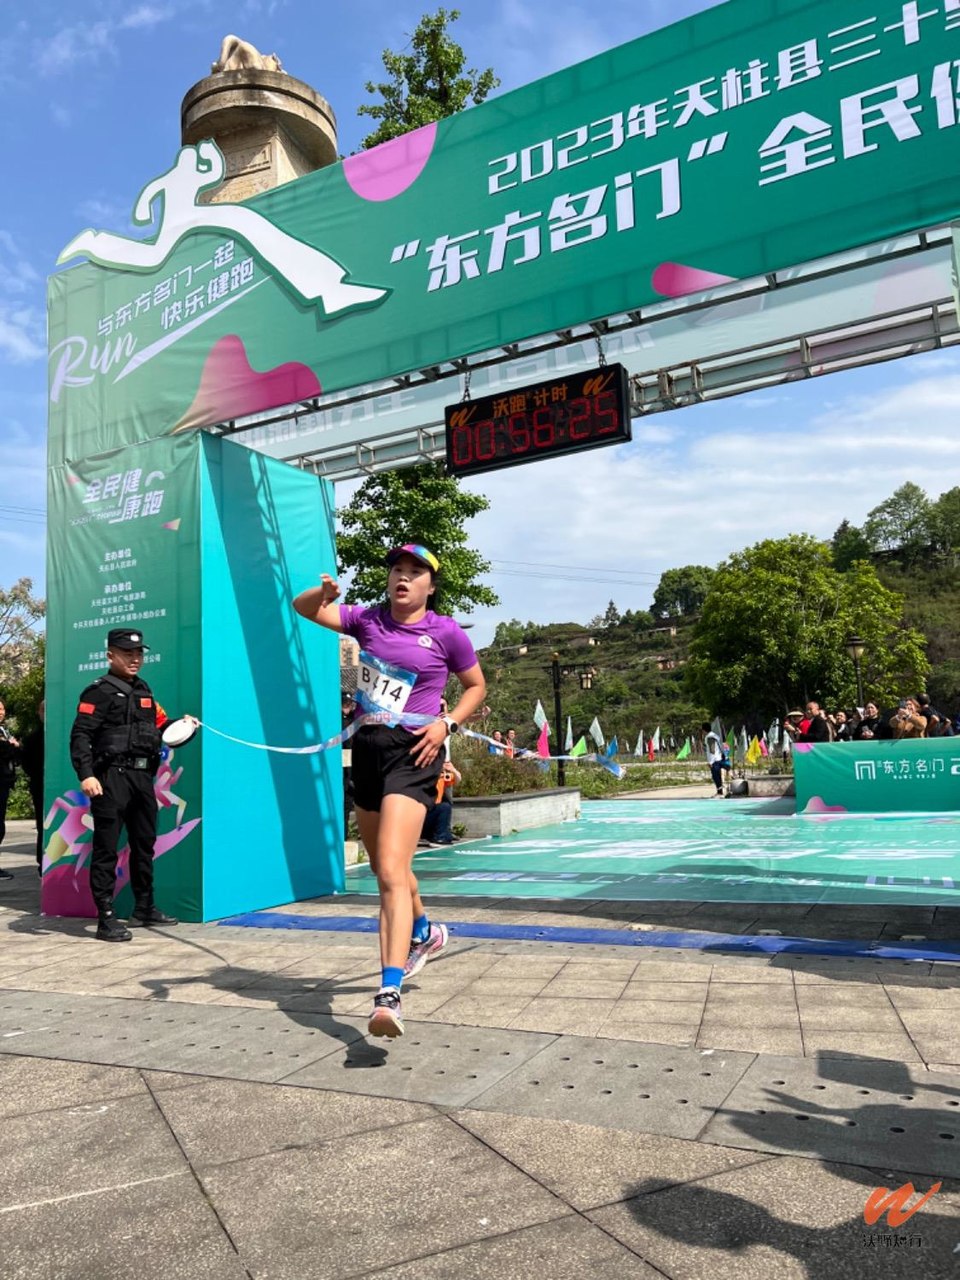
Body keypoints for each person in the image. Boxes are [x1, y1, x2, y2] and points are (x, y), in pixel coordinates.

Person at [293, 544, 486, 1039]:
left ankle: (388, 993)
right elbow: (303, 608)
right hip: (369, 749)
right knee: (385, 867)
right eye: (397, 569)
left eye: (414, 572)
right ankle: (425, 932)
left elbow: (475, 687)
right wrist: (324, 592)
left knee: (392, 875)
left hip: (415, 753)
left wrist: (447, 725)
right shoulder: (366, 619)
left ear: (430, 586)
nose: (403, 577)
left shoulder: (445, 632)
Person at [69, 629, 179, 942]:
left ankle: (144, 907)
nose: (135, 659)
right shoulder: (98, 692)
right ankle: (105, 917)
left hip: (142, 778)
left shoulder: (144, 691)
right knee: (106, 847)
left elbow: (160, 727)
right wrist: (86, 774)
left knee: (144, 843)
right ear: (110, 655)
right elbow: (81, 736)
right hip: (111, 778)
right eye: (127, 653)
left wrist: (184, 726)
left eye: (139, 653)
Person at [19, 701, 45, 871]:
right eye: (43, 709)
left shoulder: (66, 735)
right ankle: (42, 861)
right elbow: (26, 764)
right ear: (38, 712)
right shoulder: (32, 738)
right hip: (39, 785)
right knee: (42, 824)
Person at [0, 698, 19, 880]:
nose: (1, 712)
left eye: (2, 709)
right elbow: (4, 750)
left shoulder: (4, 730)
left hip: (4, 782)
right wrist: (11, 745)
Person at [422, 760, 462, 846]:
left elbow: (458, 779)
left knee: (444, 806)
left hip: (431, 814)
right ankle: (440, 838)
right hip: (420, 814)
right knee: (444, 807)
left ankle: (441, 836)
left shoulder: (441, 776)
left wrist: (453, 770)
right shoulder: (422, 773)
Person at [702, 722, 724, 797]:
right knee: (718, 776)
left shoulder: (710, 737)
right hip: (718, 758)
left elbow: (712, 750)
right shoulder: (715, 735)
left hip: (714, 760)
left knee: (716, 776)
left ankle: (719, 792)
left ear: (704, 730)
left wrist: (710, 762)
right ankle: (720, 792)